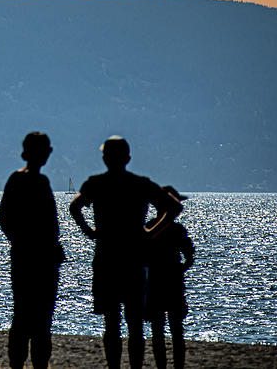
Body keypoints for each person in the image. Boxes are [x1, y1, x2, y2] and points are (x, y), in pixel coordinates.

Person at [69, 136, 181, 369]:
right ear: (128, 158)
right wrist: (151, 231)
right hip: (134, 259)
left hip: (107, 258)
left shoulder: (95, 183)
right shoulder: (139, 184)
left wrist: (89, 231)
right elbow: (174, 206)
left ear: (104, 158)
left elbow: (74, 206)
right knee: (135, 324)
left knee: (112, 322)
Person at [0, 132, 65, 369]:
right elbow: (7, 219)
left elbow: (6, 219)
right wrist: (32, 246)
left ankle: (31, 363)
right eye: (45, 149)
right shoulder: (25, 181)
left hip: (33, 258)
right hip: (35, 260)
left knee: (31, 318)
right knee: (33, 318)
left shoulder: (32, 181)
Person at [146, 186, 194, 369]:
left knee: (157, 330)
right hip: (173, 282)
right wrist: (180, 270)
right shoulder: (177, 230)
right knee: (176, 330)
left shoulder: (149, 227)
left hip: (154, 283)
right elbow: (189, 257)